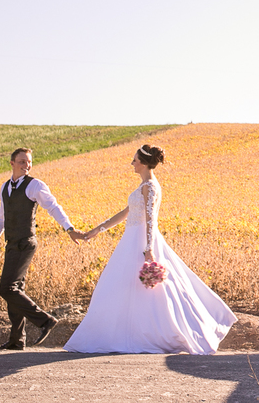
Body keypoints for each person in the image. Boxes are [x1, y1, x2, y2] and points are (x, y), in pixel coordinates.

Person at [64, 144, 236, 354]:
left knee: (146, 291)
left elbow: (151, 219)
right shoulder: (142, 186)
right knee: (121, 286)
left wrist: (148, 248)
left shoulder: (151, 187)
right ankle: (122, 334)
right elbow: (125, 213)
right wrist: (95, 231)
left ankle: (152, 333)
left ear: (144, 164)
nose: (132, 163)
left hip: (141, 241)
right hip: (130, 239)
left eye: (135, 160)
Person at [0, 147, 82, 350]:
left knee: (7, 289)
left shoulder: (35, 185)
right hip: (11, 243)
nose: (26, 165)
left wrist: (69, 228)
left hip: (25, 243)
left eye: (29, 162)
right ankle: (16, 340)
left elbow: (53, 207)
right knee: (15, 290)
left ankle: (45, 320)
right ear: (12, 163)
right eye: (22, 161)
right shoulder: (5, 187)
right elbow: (1, 219)